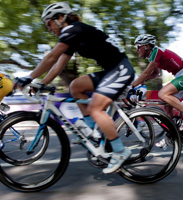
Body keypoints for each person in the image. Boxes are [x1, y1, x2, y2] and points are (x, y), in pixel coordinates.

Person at [13, 2, 135, 174]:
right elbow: (57, 65)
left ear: (61, 18)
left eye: (49, 23)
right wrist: (42, 83)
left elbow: (51, 56)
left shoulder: (73, 29)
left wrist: (29, 77)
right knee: (75, 86)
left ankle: (120, 151)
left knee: (95, 108)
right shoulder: (72, 38)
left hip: (120, 69)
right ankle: (95, 132)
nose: (48, 28)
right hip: (110, 71)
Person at [131, 34, 183, 147]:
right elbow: (155, 73)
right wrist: (143, 81)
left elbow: (147, 72)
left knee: (163, 94)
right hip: (180, 76)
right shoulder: (152, 56)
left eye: (138, 46)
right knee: (167, 105)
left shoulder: (156, 51)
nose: (137, 50)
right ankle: (173, 133)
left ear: (146, 46)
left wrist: (132, 85)